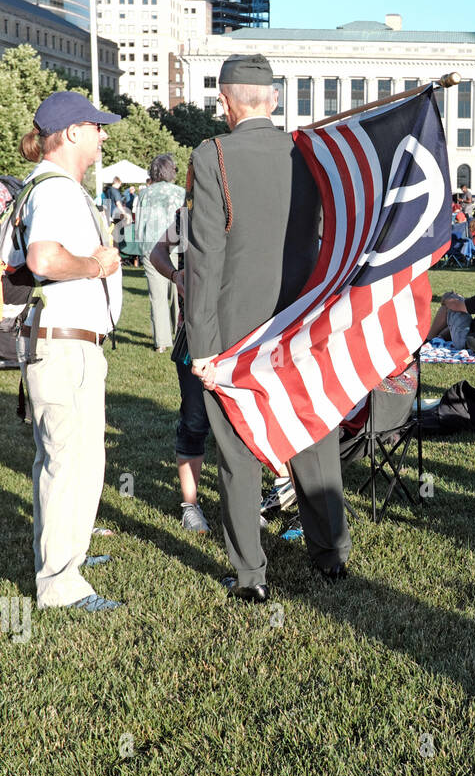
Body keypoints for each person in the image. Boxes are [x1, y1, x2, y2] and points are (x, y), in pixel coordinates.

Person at [187, 54, 350, 602]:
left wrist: (203, 346)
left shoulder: (212, 155)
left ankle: (251, 576)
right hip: (301, 322)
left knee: (236, 453)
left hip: (235, 326)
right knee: (312, 434)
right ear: (274, 100)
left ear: (224, 102)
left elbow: (204, 257)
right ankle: (330, 554)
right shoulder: (308, 154)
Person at [16, 91, 125, 611]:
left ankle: (68, 554)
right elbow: (44, 258)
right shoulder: (56, 190)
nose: (104, 135)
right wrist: (95, 266)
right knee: (66, 462)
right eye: (97, 127)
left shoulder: (58, 187)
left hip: (68, 345)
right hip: (64, 346)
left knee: (77, 461)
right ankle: (59, 583)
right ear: (73, 132)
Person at [148, 206, 212, 534]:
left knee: (243, 424)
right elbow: (157, 250)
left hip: (243, 337)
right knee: (195, 420)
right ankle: (191, 505)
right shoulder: (187, 215)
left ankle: (250, 499)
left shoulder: (249, 201)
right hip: (195, 335)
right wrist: (175, 275)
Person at [135, 154, 187, 353]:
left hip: (151, 248)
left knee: (157, 297)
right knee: (177, 291)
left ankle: (162, 342)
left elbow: (139, 224)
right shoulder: (180, 193)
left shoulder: (145, 194)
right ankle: (179, 330)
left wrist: (142, 249)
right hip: (175, 248)